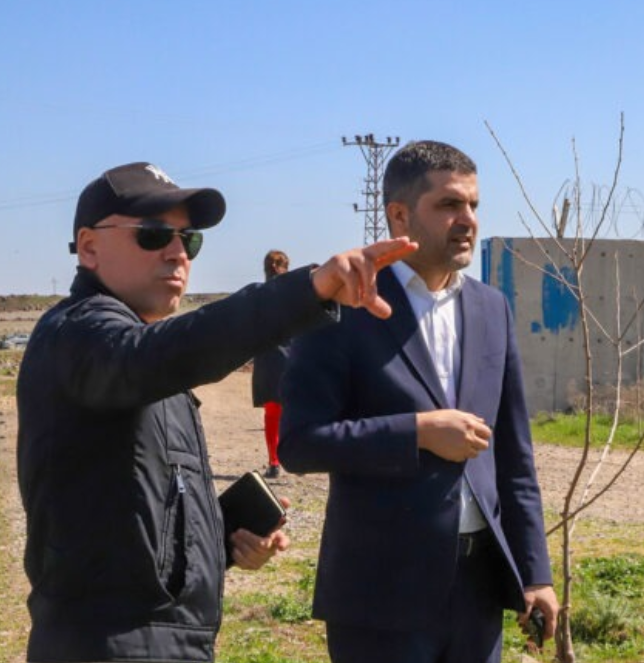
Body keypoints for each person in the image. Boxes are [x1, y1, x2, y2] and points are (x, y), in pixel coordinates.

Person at [16, 161, 416, 663]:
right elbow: (165, 353)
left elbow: (129, 513)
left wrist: (223, 540)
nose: (178, 252)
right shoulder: (78, 335)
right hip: (108, 643)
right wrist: (306, 290)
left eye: (190, 240)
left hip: (169, 641)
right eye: (153, 235)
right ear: (90, 246)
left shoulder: (142, 350)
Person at [279, 140, 559, 663]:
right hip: (381, 593)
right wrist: (417, 432)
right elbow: (299, 443)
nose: (468, 220)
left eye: (473, 205)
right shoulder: (344, 304)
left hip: (477, 590)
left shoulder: (491, 308)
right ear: (400, 215)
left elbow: (515, 458)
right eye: (450, 205)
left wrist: (535, 571)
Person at [252, 249, 292, 478]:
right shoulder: (295, 293)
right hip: (293, 357)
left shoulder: (259, 295)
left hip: (268, 360)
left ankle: (274, 462)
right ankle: (299, 458)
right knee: (295, 411)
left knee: (272, 415)